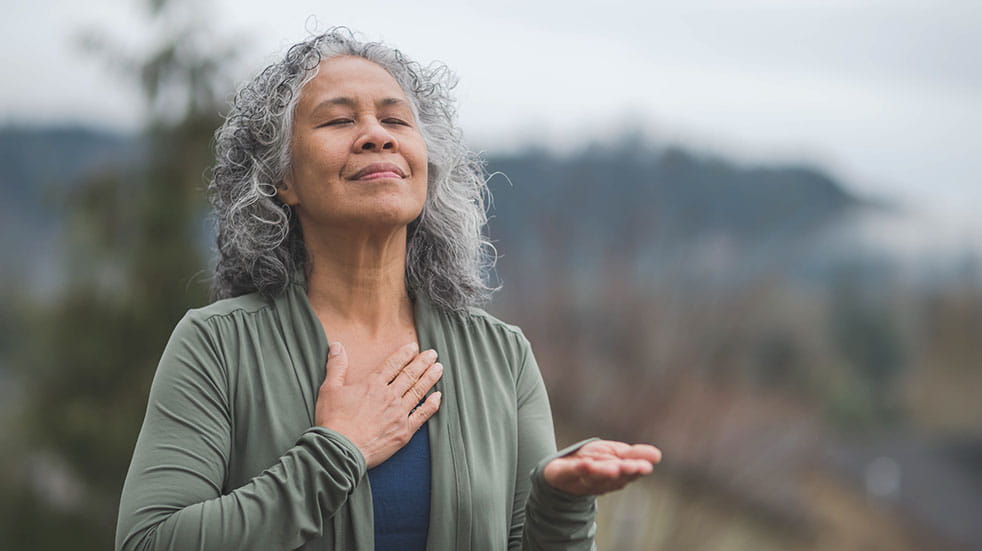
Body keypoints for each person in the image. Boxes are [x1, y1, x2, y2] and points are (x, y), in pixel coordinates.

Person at [115, 27, 662, 551]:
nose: (377, 134)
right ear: (281, 179)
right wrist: (338, 451)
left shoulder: (502, 357)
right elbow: (150, 542)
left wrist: (562, 501)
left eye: (396, 120)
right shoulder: (218, 347)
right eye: (338, 121)